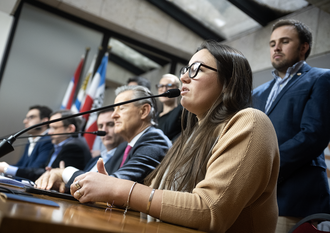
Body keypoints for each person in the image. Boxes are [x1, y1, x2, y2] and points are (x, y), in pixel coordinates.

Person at [69, 40, 280, 232]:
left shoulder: (250, 122)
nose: (183, 77)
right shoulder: (190, 137)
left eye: (196, 69)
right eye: (186, 69)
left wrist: (119, 189)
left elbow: (209, 211)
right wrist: (109, 191)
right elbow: (164, 197)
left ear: (228, 82)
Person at [252, 19, 330, 233]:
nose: (276, 47)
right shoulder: (257, 93)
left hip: (295, 196)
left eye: (284, 41)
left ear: (303, 47)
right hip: (253, 198)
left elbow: (314, 135)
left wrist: (263, 167)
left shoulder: (321, 78)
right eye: (272, 43)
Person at [36, 86, 172, 193]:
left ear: (143, 111)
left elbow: (112, 185)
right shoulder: (123, 147)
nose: (114, 115)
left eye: (121, 108)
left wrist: (64, 172)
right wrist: (65, 184)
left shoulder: (155, 141)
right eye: (114, 109)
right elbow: (101, 180)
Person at [35, 108, 124, 192]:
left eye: (110, 124)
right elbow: (81, 186)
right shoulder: (95, 160)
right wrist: (64, 183)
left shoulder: (125, 158)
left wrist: (63, 173)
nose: (104, 130)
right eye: (100, 126)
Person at [6, 110, 92, 181]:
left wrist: (8, 169)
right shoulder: (59, 144)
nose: (49, 132)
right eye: (50, 127)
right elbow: (43, 169)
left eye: (54, 128)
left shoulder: (74, 147)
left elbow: (51, 176)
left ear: (70, 129)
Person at [0, 105, 54, 177]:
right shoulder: (31, 139)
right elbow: (21, 164)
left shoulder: (49, 140)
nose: (25, 121)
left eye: (31, 117)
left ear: (44, 121)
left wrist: (4, 169)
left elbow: (35, 169)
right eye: (26, 118)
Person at [155, 74, 183, 141]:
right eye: (161, 86)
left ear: (178, 89)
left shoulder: (181, 111)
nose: (164, 89)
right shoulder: (154, 116)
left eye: (169, 86)